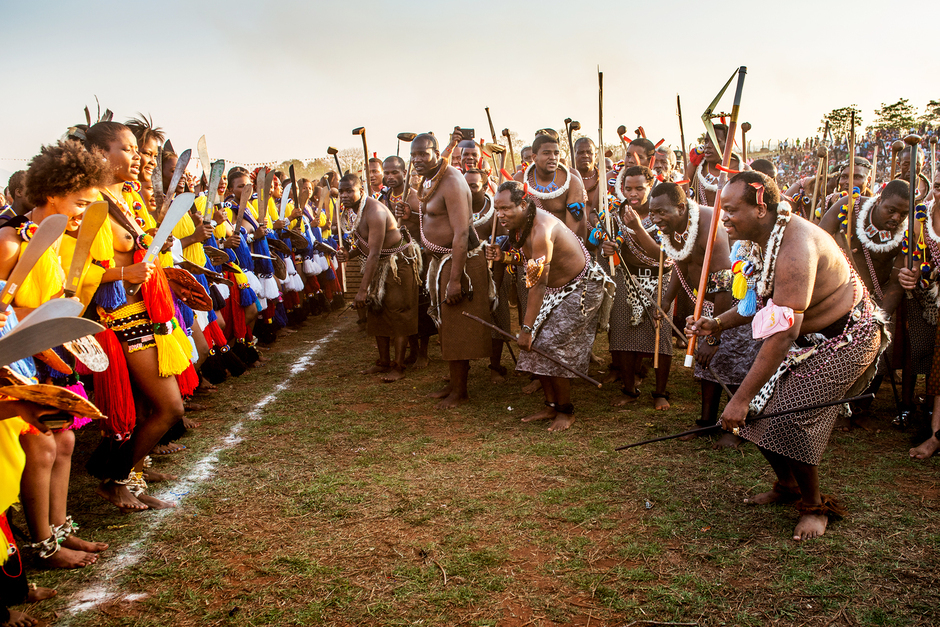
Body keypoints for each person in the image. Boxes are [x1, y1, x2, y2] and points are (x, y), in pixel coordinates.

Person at [687, 171, 886, 541]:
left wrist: (740, 399)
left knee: (791, 416)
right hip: (806, 337)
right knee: (758, 413)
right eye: (721, 209)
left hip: (848, 339)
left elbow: (784, 331)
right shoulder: (756, 241)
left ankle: (814, 506)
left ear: (760, 208)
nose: (723, 218)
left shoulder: (796, 245)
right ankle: (788, 484)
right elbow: (755, 303)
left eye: (731, 210)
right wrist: (715, 324)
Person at [0, 140, 110, 567]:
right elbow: (12, 307)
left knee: (63, 440)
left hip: (38, 351)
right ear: (52, 194)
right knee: (42, 447)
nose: (84, 213)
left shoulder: (54, 239)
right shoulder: (9, 242)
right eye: (80, 203)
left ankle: (61, 529)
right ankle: (41, 545)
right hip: (15, 357)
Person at [83, 121, 189, 513]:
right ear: (99, 155)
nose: (138, 157)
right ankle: (113, 481)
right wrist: (123, 273)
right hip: (120, 317)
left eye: (137, 149)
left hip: (149, 308)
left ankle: (132, 480)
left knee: (148, 407)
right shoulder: (88, 203)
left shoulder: (126, 195)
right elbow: (71, 273)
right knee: (169, 407)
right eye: (126, 149)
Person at [486, 181, 612, 431]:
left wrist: (526, 327)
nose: (500, 215)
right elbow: (531, 259)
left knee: (550, 345)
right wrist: (506, 256)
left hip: (582, 288)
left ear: (523, 204)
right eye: (496, 209)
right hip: (554, 287)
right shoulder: (520, 224)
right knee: (536, 345)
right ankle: (551, 406)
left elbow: (538, 285)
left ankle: (566, 411)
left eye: (506, 209)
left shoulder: (542, 228)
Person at [650, 182, 760, 446]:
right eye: (652, 213)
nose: (656, 219)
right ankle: (706, 422)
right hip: (710, 305)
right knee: (706, 366)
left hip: (734, 305)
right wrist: (666, 299)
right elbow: (682, 260)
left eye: (661, 213)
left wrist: (714, 335)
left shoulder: (710, 225)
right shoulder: (678, 227)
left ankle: (735, 430)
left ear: (680, 207)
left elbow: (723, 281)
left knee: (734, 364)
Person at [411, 133, 492, 409]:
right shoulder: (431, 180)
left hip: (460, 262)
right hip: (442, 262)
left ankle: (461, 391)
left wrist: (455, 279)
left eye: (423, 153)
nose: (417, 159)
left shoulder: (453, 181)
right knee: (447, 327)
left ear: (437, 153)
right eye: (414, 155)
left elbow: (460, 234)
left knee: (457, 327)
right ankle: (453, 382)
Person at [595, 166, 674, 409]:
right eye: (628, 188)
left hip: (660, 280)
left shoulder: (662, 213)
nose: (633, 193)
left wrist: (639, 227)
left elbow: (664, 258)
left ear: (650, 188)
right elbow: (607, 244)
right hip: (626, 278)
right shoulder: (615, 213)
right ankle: (629, 389)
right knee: (622, 336)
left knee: (661, 339)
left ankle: (660, 392)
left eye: (640, 188)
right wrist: (608, 249)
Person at [336, 174, 419, 382]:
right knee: (376, 310)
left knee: (398, 311)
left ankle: (398, 366)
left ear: (361, 191)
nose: (344, 195)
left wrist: (362, 291)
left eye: (349, 191)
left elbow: (374, 252)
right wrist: (349, 254)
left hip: (398, 263)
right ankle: (383, 362)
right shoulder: (351, 212)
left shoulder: (374, 211)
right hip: (379, 262)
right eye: (341, 191)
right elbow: (363, 243)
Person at [381, 156, 433, 369]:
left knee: (420, 305)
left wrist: (413, 215)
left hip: (416, 258)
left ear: (405, 173)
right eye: (387, 173)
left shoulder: (415, 197)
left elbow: (430, 222)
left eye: (395, 172)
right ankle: (412, 349)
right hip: (394, 259)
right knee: (403, 307)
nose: (390, 176)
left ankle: (423, 353)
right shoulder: (384, 198)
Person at [515, 133, 588, 242]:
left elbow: (571, 231)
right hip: (528, 242)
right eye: (546, 153)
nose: (553, 158)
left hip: (563, 243)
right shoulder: (520, 179)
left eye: (556, 153)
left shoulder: (572, 182)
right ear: (534, 157)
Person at [685, 124, 741, 206]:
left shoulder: (742, 169)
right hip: (702, 218)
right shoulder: (695, 166)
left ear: (728, 144)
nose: (708, 146)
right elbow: (681, 198)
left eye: (715, 141)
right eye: (706, 141)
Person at [573, 138, 601, 219]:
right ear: (574, 154)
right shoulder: (568, 180)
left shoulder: (604, 181)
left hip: (600, 230)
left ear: (595, 155)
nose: (585, 156)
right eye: (581, 152)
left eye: (589, 152)